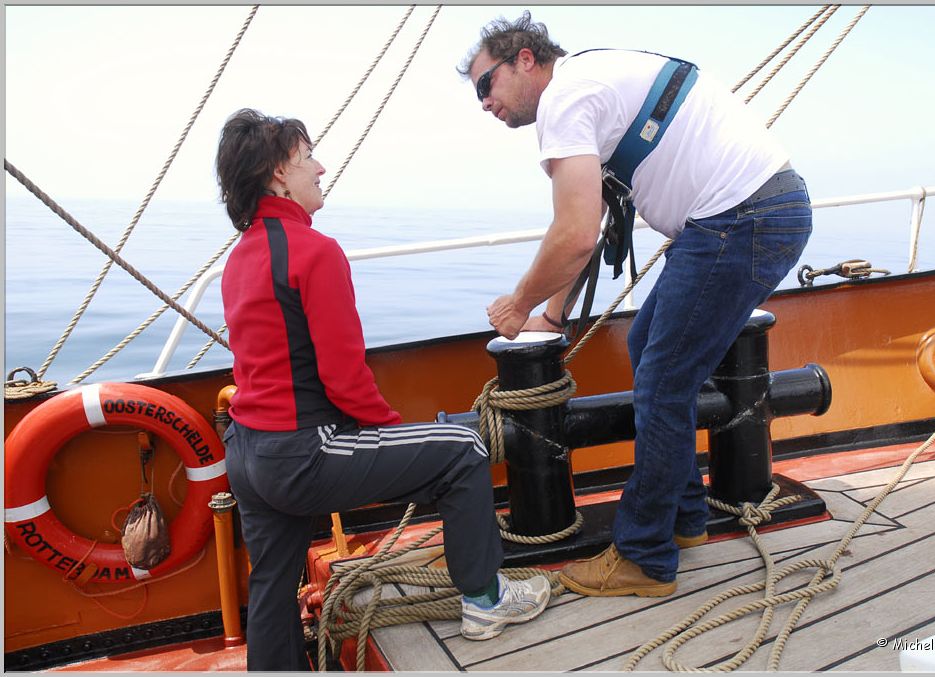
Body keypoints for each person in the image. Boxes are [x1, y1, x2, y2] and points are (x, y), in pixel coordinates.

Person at [459, 12, 813, 597]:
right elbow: (588, 222)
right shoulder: (588, 80)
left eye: (485, 85)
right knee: (651, 350)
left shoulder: (564, 100)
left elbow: (572, 233)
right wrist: (552, 315)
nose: (484, 103)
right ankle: (683, 517)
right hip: (749, 213)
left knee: (661, 381)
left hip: (738, 218)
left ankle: (645, 556)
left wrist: (518, 306)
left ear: (524, 59)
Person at [215, 108, 551, 670]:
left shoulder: (238, 258)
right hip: (304, 452)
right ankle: (487, 602)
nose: (321, 167)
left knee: (272, 577)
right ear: (278, 174)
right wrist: (399, 437)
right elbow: (344, 380)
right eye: (307, 158)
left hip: (248, 453)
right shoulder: (316, 253)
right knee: (463, 450)